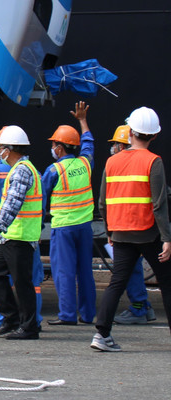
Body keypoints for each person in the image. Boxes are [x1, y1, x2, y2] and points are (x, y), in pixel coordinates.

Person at [91, 107, 171, 352]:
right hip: (149, 233)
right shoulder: (153, 162)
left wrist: (111, 232)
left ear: (131, 132)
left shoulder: (112, 162)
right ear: (154, 136)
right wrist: (167, 238)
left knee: (117, 283)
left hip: (121, 233)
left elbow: (102, 203)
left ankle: (101, 335)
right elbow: (159, 204)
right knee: (167, 282)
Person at [0, 127, 44, 332]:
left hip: (20, 236)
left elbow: (13, 204)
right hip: (10, 236)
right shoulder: (19, 169)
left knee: (23, 283)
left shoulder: (22, 170)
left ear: (10, 148)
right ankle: (11, 319)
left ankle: (29, 326)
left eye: (0, 147)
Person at [42, 101, 96, 326]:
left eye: (54, 144)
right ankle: (88, 314)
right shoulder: (85, 163)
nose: (52, 147)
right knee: (85, 271)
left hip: (63, 228)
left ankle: (67, 315)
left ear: (60, 147)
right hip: (84, 227)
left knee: (64, 272)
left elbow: (41, 200)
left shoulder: (53, 170)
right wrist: (82, 120)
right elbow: (88, 143)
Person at [106, 124, 156, 324]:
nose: (114, 148)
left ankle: (139, 307)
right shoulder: (134, 163)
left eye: (117, 144)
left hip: (129, 228)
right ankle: (143, 305)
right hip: (135, 227)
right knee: (130, 270)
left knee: (128, 272)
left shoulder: (122, 164)